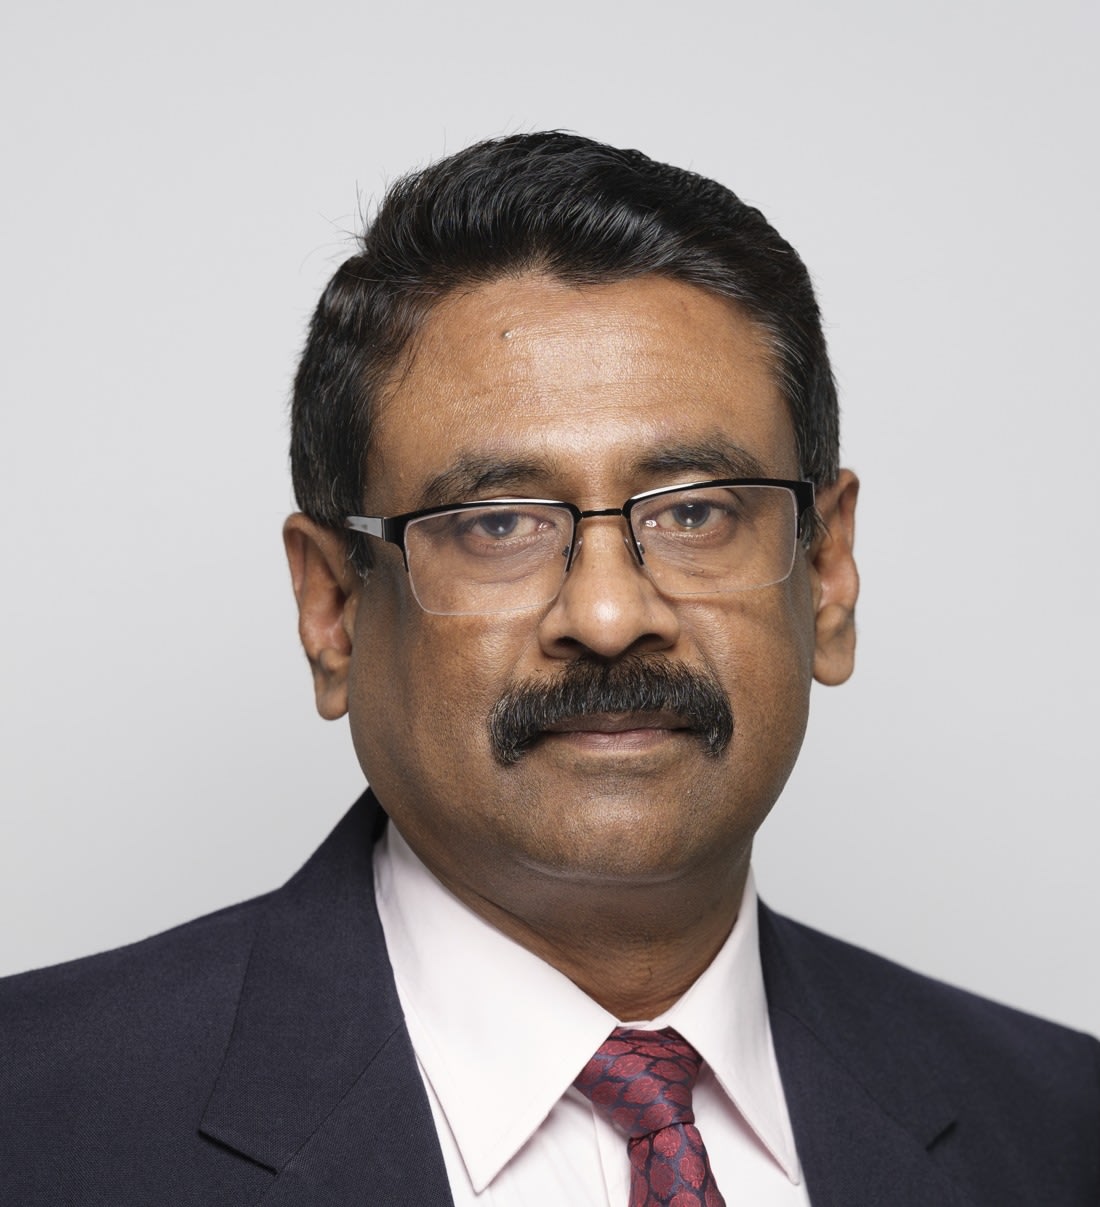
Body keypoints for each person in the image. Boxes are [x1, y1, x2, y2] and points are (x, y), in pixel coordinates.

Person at [1, 132, 1096, 1207]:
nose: (610, 617)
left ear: (825, 575)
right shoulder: (36, 1122)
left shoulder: (1059, 1127)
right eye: (496, 523)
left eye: (695, 512)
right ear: (332, 607)